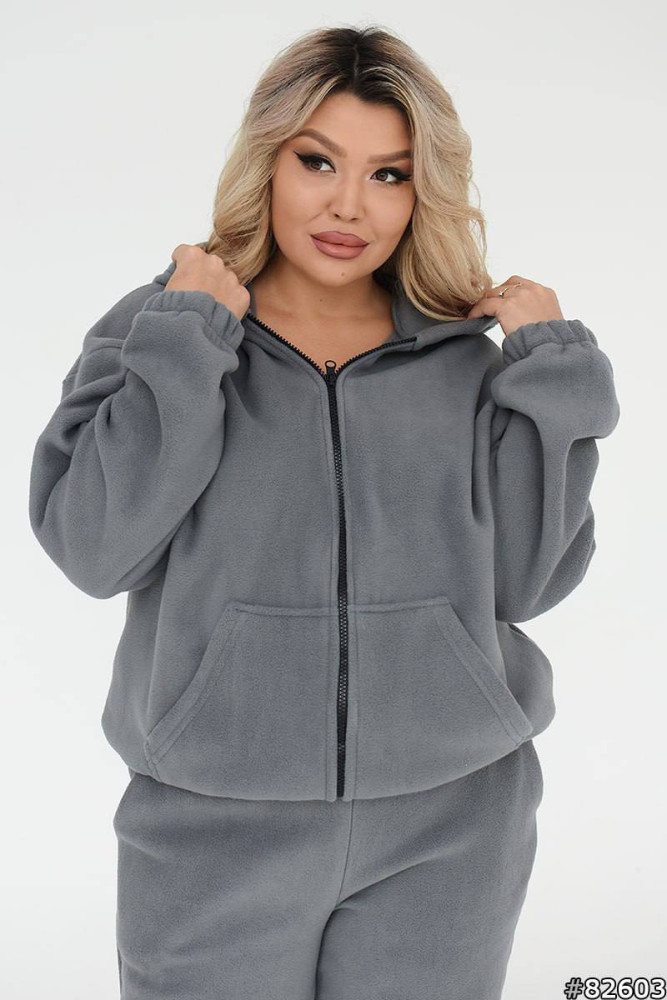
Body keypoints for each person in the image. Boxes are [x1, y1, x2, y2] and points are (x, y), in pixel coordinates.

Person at [28, 23, 621, 1000]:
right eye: (317, 161)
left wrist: (552, 382)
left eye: (388, 174)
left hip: (452, 827)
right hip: (211, 827)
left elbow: (529, 581)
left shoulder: (462, 361)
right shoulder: (166, 331)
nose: (349, 204)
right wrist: (188, 339)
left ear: (422, 192)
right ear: (266, 159)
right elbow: (94, 548)